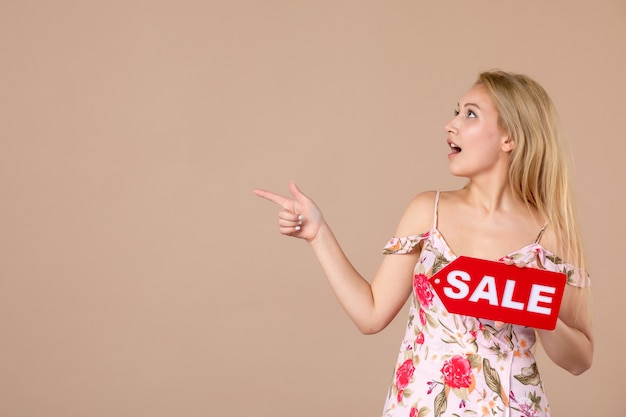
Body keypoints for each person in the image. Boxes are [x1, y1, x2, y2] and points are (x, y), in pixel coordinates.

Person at [254, 70, 593, 417]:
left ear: (509, 138)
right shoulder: (427, 212)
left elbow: (581, 360)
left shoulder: (549, 236)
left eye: (470, 114)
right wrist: (318, 233)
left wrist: (536, 311)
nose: (451, 124)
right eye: (456, 111)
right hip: (420, 407)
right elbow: (370, 315)